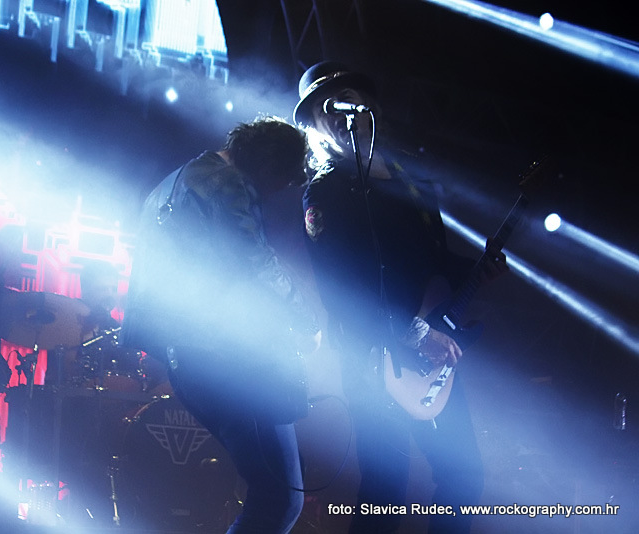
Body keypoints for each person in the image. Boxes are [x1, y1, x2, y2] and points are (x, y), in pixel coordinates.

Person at [294, 62, 507, 533]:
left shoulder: (409, 181)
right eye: (329, 108)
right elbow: (340, 287)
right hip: (374, 355)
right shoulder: (326, 192)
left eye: (352, 101)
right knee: (385, 489)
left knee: (463, 478)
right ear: (314, 126)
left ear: (371, 110)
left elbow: (432, 261)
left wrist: (477, 269)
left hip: (429, 355)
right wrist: (414, 332)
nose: (345, 114)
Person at [121, 116, 321, 533]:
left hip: (190, 360)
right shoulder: (226, 182)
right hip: (225, 364)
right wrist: (305, 318)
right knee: (281, 496)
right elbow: (254, 262)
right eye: (283, 180)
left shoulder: (175, 180)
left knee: (273, 489)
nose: (278, 192)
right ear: (267, 164)